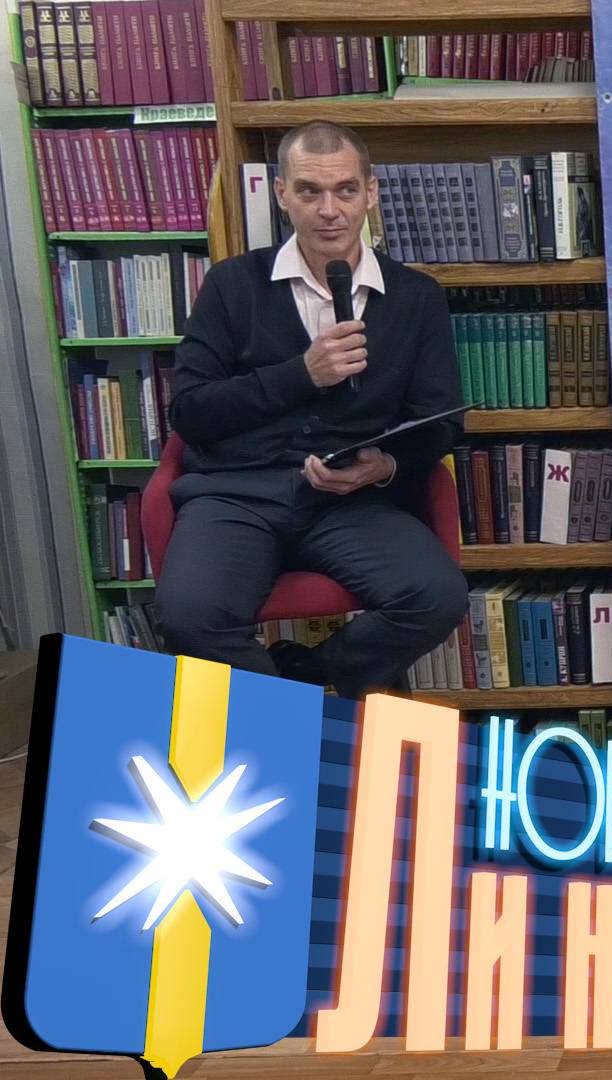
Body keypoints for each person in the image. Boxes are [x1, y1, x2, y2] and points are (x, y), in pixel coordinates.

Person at [153, 120, 468, 700]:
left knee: (437, 598)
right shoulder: (232, 285)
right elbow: (192, 413)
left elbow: (442, 420)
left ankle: (307, 677)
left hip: (351, 503)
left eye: (345, 190)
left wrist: (384, 466)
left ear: (370, 193)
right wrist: (302, 374)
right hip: (236, 496)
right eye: (309, 191)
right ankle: (287, 720)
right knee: (186, 616)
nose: (329, 210)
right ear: (282, 195)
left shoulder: (415, 296)